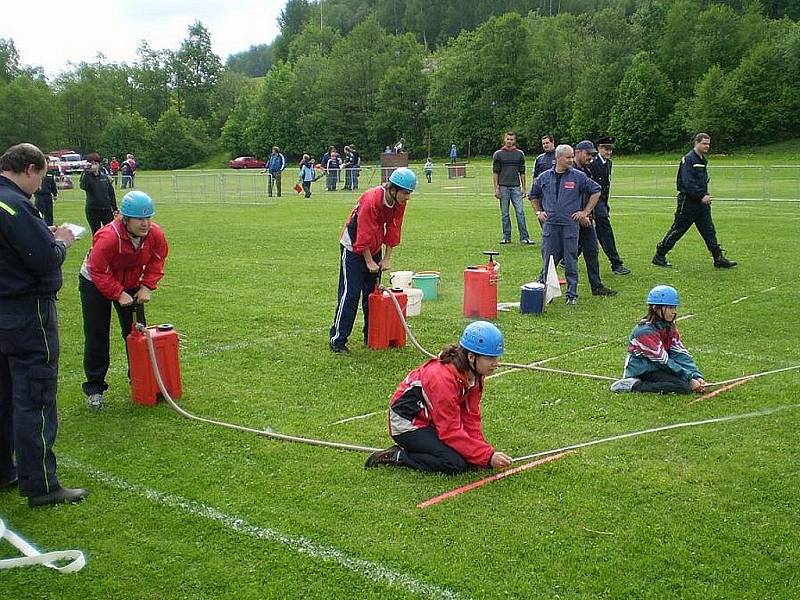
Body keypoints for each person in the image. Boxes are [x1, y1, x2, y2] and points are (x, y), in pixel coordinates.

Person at [0, 142, 88, 508]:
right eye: (43, 175)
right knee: (34, 395)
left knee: (4, 394)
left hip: (5, 310)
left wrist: (40, 235)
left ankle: (5, 469)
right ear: (31, 169)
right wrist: (61, 242)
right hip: (27, 313)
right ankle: (42, 484)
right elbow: (43, 260)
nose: (42, 183)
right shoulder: (16, 205)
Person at [365, 321, 513, 474]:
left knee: (469, 460)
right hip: (407, 423)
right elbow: (449, 431)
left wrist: (482, 452)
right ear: (471, 357)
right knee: (454, 464)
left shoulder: (475, 375)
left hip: (432, 421)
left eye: (496, 358)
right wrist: (487, 456)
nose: (496, 364)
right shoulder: (442, 379)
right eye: (490, 359)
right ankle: (398, 456)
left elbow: (470, 417)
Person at [78, 191, 169, 409]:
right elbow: (98, 270)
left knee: (137, 332)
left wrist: (146, 286)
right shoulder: (108, 237)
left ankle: (141, 381)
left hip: (130, 281)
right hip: (95, 281)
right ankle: (95, 389)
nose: (145, 223)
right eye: (140, 219)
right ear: (125, 218)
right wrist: (118, 293)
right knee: (97, 333)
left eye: (149, 218)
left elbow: (158, 260)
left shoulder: (155, 234)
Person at [329, 167, 416, 353]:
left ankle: (372, 336)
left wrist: (386, 258)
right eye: (405, 193)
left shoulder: (399, 203)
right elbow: (364, 232)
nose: (407, 198)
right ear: (393, 189)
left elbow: (394, 228)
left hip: (374, 245)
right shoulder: (371, 199)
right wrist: (369, 261)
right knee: (350, 293)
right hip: (353, 247)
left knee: (372, 294)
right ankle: (338, 339)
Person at [529, 144, 601, 305]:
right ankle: (546, 291)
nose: (571, 160)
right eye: (568, 157)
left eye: (571, 157)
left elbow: (596, 191)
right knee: (549, 259)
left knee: (570, 259)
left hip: (570, 225)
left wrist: (585, 212)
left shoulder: (578, 176)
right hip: (551, 225)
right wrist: (538, 212)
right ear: (558, 158)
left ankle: (571, 294)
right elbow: (533, 195)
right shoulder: (544, 177)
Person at [653, 133, 736, 269]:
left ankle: (718, 258)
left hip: (702, 204)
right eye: (704, 143)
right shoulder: (689, 159)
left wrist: (704, 195)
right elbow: (688, 182)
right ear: (696, 143)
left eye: (708, 144)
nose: (707, 146)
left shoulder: (702, 160)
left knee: (709, 230)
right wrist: (701, 195)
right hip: (688, 202)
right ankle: (659, 255)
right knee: (678, 230)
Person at [610, 285, 706, 394]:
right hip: (643, 371)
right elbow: (663, 360)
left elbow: (680, 353)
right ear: (656, 308)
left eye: (674, 307)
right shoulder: (645, 332)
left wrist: (696, 375)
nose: (674, 312)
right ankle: (633, 385)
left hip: (657, 367)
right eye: (670, 308)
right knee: (683, 387)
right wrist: (689, 379)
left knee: (683, 384)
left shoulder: (668, 327)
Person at [572, 140, 616, 297]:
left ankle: (597, 286)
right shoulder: (571, 172)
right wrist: (580, 214)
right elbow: (568, 198)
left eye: (592, 154)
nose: (590, 157)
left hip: (586, 219)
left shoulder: (587, 170)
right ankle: (542, 282)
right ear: (578, 152)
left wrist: (588, 213)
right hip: (571, 221)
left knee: (592, 251)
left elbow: (595, 192)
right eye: (588, 154)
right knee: (559, 255)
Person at [587, 136, 630, 275]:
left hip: (602, 203)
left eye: (611, 149)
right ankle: (616, 263)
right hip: (593, 203)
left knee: (586, 234)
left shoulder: (608, 163)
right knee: (605, 233)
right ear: (599, 147)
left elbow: (606, 186)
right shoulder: (592, 163)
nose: (609, 151)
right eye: (606, 148)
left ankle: (567, 259)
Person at [493, 131, 534, 246]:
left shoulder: (520, 154)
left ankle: (525, 237)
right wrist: (496, 188)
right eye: (508, 139)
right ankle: (506, 237)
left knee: (520, 212)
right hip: (503, 187)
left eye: (512, 139)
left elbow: (522, 172)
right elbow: (495, 173)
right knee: (505, 214)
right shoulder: (498, 154)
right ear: (504, 140)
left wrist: (524, 188)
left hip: (516, 187)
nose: (510, 141)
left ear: (514, 141)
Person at [80, 152, 117, 234]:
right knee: (96, 232)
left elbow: (111, 193)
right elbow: (83, 186)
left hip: (106, 209)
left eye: (95, 163)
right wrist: (87, 171)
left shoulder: (104, 176)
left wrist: (114, 208)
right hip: (93, 209)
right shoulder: (87, 176)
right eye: (91, 163)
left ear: (99, 164)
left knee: (111, 232)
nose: (94, 165)